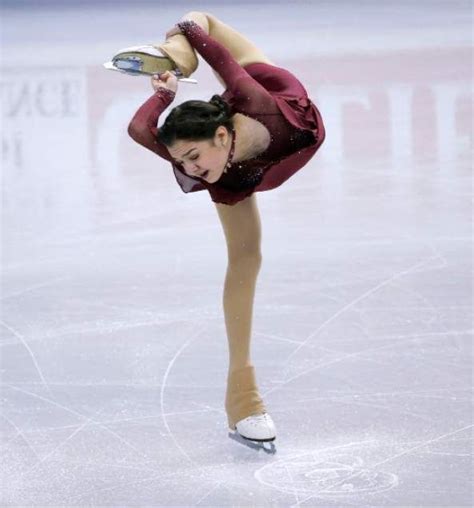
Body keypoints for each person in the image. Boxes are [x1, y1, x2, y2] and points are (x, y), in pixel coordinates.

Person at [127, 12, 326, 443]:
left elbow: (211, 40)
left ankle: (177, 51)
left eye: (193, 158)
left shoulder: (253, 98)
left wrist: (190, 37)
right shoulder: (206, 162)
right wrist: (164, 96)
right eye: (182, 164)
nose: (191, 170)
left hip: (281, 117)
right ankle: (243, 397)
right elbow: (139, 129)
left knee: (198, 21)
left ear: (221, 136)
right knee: (246, 257)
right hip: (240, 169)